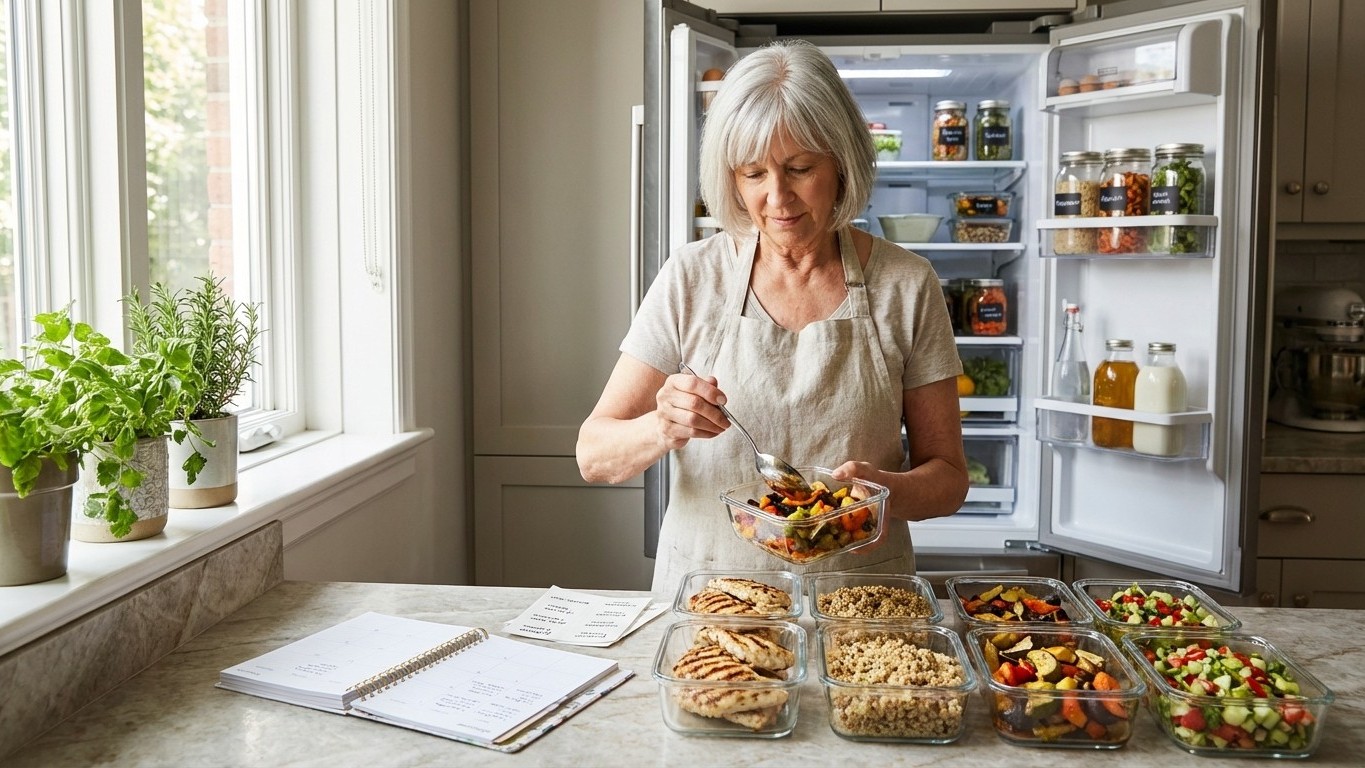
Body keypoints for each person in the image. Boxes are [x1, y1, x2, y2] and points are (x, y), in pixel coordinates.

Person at [577, 40, 968, 595]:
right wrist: (662, 426)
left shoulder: (905, 285)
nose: (777, 198)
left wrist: (884, 495)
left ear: (842, 161)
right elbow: (594, 455)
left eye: (799, 168)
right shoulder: (691, 277)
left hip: (858, 609)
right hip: (711, 604)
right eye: (753, 174)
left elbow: (949, 479)